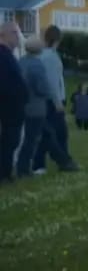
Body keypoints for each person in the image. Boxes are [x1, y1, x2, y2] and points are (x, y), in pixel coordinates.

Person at [16, 37, 78, 176]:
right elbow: (42, 87)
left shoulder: (21, 62)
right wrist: (54, 98)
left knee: (43, 135)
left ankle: (63, 161)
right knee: (36, 138)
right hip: (36, 107)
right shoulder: (36, 65)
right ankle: (24, 169)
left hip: (23, 106)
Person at [33, 25, 69, 174]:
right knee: (60, 133)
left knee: (46, 133)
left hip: (45, 100)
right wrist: (58, 102)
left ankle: (39, 164)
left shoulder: (43, 55)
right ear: (57, 39)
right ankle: (63, 161)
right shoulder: (51, 57)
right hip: (53, 101)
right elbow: (53, 82)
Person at [0, 21, 28, 184]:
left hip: (14, 108)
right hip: (7, 108)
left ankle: (6, 172)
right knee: (8, 141)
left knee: (12, 141)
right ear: (2, 35)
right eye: (14, 33)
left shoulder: (9, 55)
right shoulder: (2, 55)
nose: (18, 37)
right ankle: (3, 174)